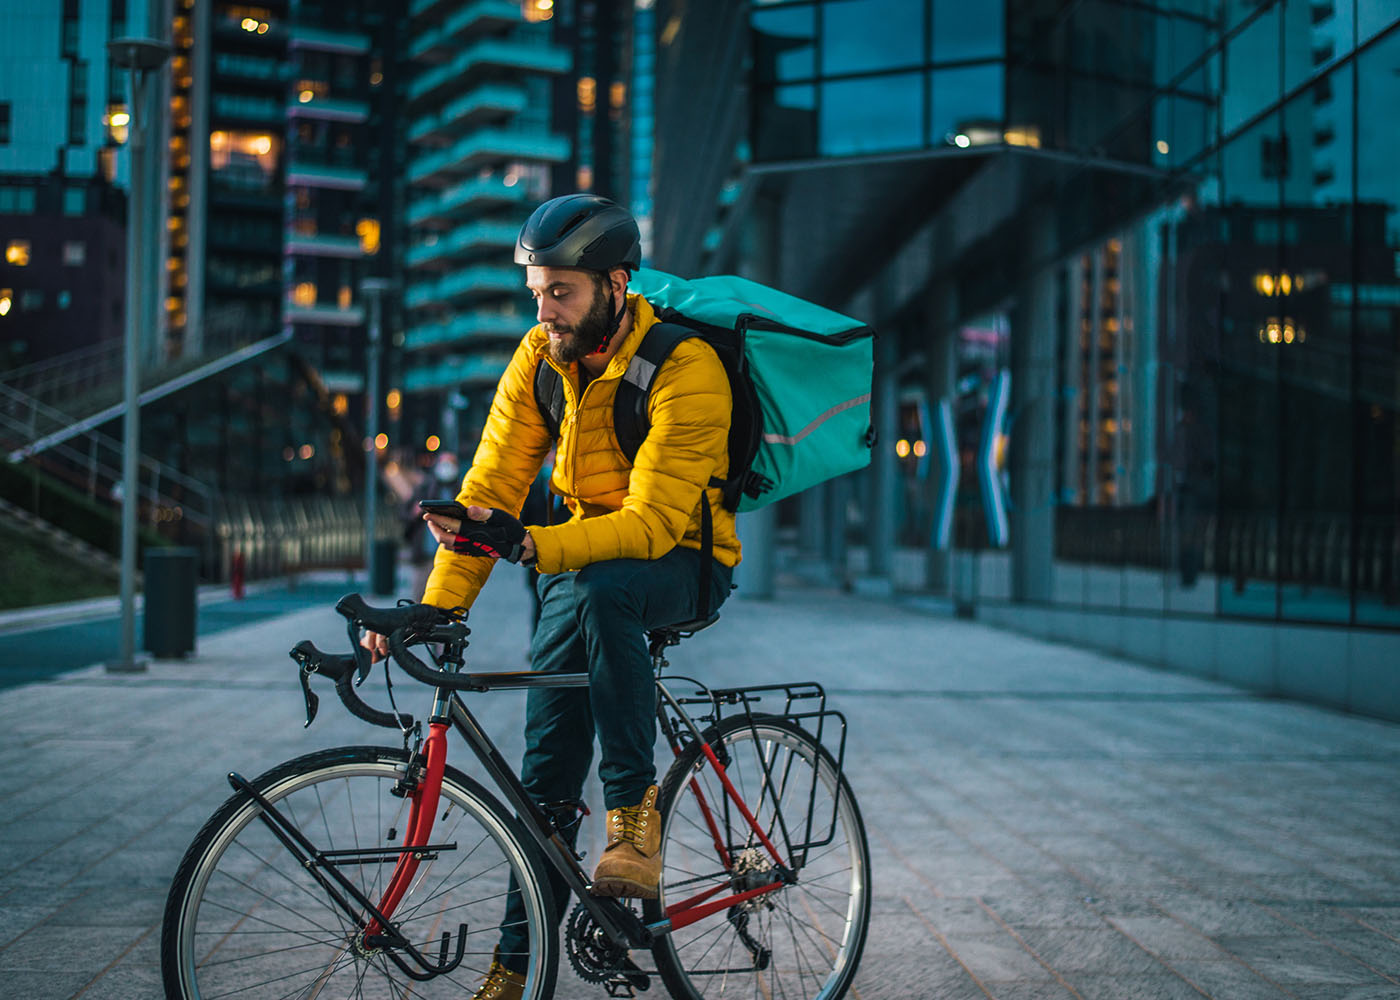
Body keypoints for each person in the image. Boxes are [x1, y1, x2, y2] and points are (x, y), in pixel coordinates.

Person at [360, 193, 739, 997]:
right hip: (581, 562)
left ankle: (634, 823)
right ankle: (512, 970)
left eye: (561, 290)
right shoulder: (540, 359)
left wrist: (534, 544)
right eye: (536, 290)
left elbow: (653, 522)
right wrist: (438, 608)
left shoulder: (685, 365)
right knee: (543, 785)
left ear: (615, 283)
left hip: (683, 557)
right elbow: (491, 486)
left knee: (604, 588)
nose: (545, 308)